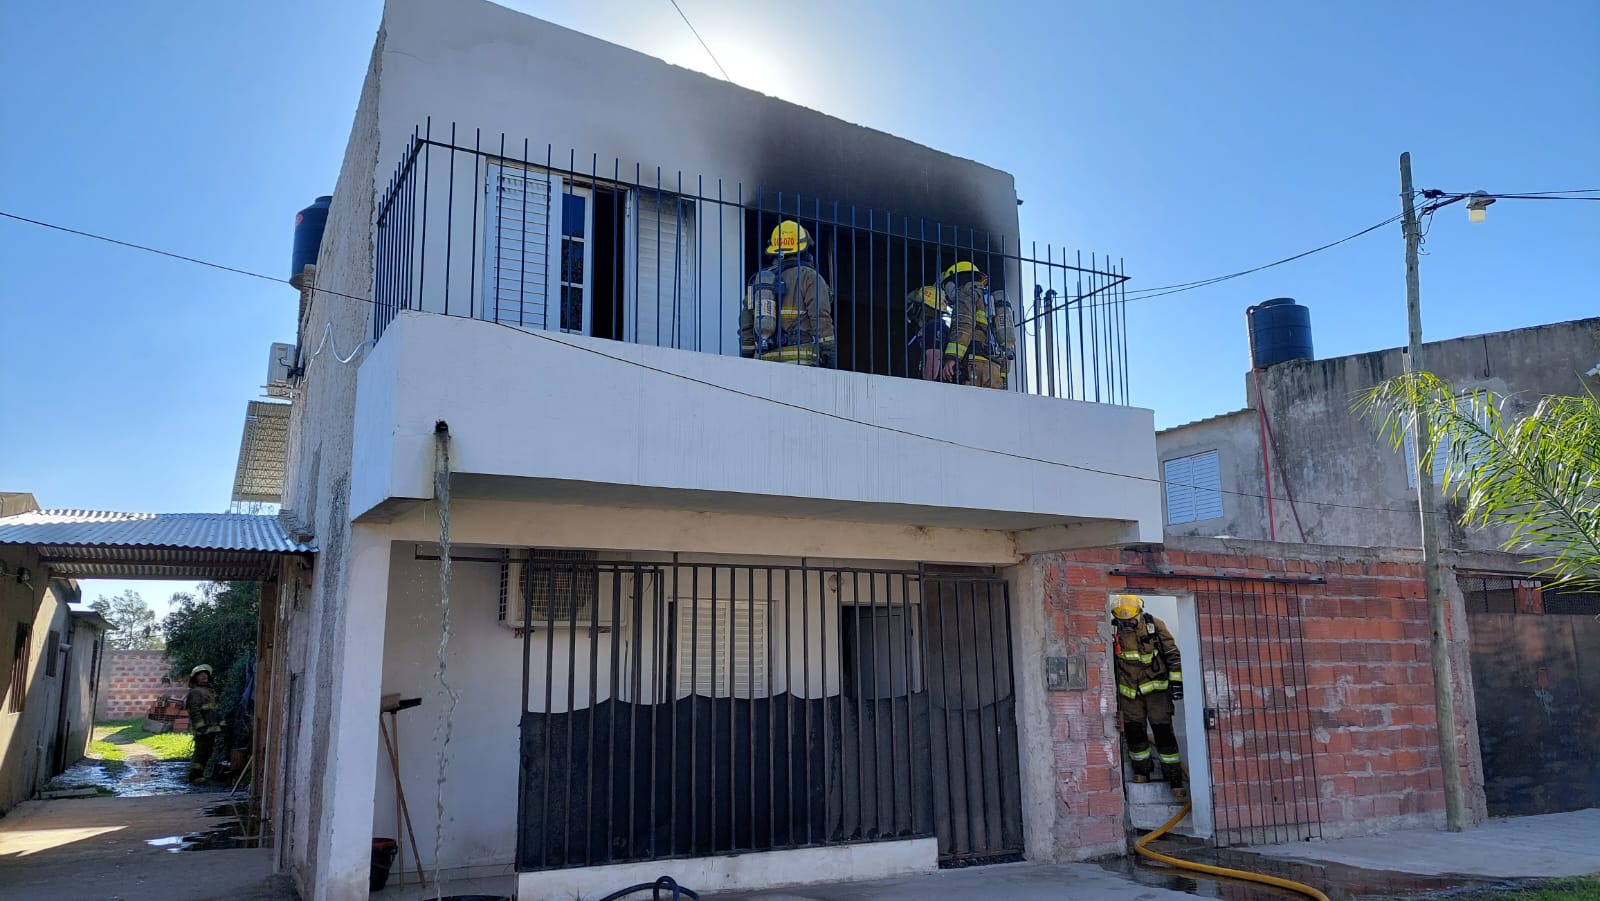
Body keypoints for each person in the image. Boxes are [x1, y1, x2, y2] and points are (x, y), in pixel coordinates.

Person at [1110, 594, 1187, 800]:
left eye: (1130, 620)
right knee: (1135, 733)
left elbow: (1172, 654)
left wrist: (1177, 684)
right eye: (1123, 621)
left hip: (1157, 693)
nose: (1127, 624)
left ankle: (1174, 778)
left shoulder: (1155, 626)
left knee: (1163, 733)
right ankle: (1142, 771)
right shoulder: (1112, 630)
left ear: (1139, 613)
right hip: (1129, 694)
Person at [739, 220, 836, 367]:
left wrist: (747, 355)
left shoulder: (760, 281)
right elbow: (820, 315)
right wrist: (829, 353)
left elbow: (746, 321)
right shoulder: (809, 277)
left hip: (765, 360)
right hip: (800, 359)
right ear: (804, 249)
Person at [940, 262, 1001, 388]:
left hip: (974, 364)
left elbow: (963, 324)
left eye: (948, 287)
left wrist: (952, 357)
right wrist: (1003, 374)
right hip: (994, 369)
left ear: (956, 280)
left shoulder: (966, 291)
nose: (947, 294)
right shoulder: (992, 300)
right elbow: (1006, 340)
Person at [185, 664, 223, 783]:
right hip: (203, 728)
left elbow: (215, 709)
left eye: (205, 674)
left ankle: (199, 774)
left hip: (212, 727)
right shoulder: (195, 692)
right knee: (201, 752)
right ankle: (195, 775)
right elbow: (194, 711)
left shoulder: (210, 691)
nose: (204, 676)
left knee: (207, 751)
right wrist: (200, 726)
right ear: (195, 678)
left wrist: (221, 722)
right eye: (201, 675)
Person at [906, 285, 950, 381]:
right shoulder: (923, 332)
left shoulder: (934, 326)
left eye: (915, 305)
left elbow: (934, 355)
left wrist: (927, 387)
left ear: (923, 308)